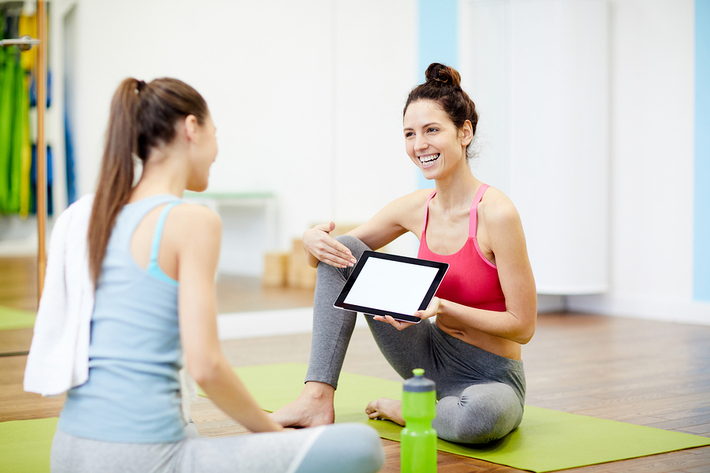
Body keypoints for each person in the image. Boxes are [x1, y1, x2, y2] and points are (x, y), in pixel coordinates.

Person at [38, 77, 384, 473]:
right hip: (140, 458)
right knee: (361, 446)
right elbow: (206, 366)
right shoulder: (191, 220)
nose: (217, 151)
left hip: (66, 451)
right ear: (191, 129)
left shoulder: (90, 215)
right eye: (215, 134)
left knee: (189, 432)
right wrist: (274, 433)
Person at [271, 63, 537, 444]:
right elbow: (332, 258)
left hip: (490, 376)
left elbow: (524, 326)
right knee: (344, 249)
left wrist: (441, 306)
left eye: (432, 130)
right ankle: (316, 398)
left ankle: (408, 409)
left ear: (465, 132)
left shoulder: (496, 213)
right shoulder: (414, 208)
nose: (419, 145)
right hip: (424, 353)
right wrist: (310, 241)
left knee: (476, 419)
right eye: (410, 134)